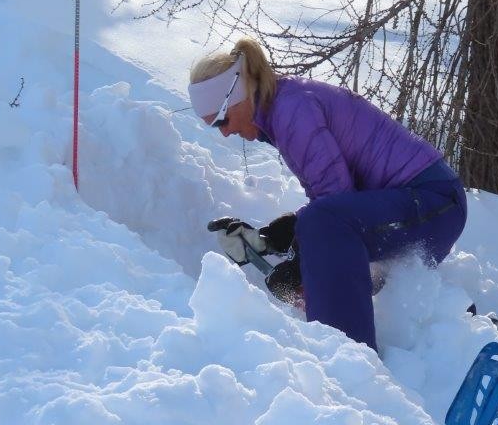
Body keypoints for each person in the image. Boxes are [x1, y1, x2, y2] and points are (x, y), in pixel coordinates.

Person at [191, 38, 467, 352]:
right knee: (321, 227)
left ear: (237, 95)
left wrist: (303, 265)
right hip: (420, 204)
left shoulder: (292, 111)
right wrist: (272, 240)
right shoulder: (284, 107)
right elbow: (332, 205)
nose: (225, 132)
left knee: (322, 227)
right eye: (215, 127)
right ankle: (342, 350)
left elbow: (333, 209)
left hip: (434, 202)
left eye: (221, 119)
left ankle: (347, 359)